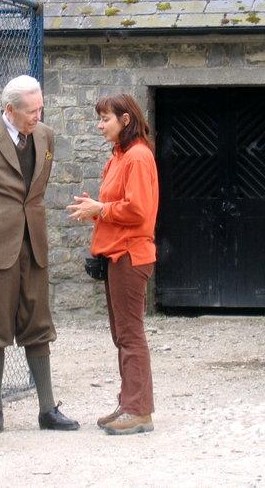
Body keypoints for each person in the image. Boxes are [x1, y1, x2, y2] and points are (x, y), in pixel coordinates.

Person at [0, 75, 79, 433]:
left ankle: (47, 409)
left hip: (31, 244)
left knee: (38, 325)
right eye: (31, 111)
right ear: (9, 109)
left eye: (40, 108)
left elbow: (36, 188)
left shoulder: (45, 136)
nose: (38, 115)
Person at [66, 94, 159, 435]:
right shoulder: (118, 157)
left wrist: (100, 209)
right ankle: (129, 403)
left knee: (130, 334)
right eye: (100, 118)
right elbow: (114, 204)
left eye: (105, 118)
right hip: (117, 254)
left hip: (129, 255)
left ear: (125, 119)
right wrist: (95, 208)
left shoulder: (136, 157)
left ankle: (138, 410)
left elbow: (138, 210)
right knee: (123, 334)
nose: (100, 125)